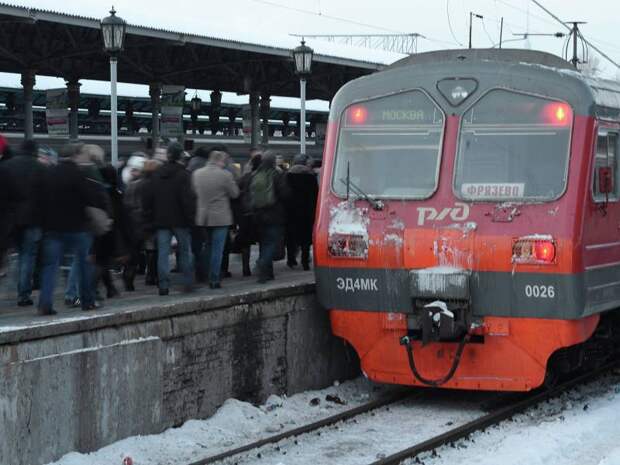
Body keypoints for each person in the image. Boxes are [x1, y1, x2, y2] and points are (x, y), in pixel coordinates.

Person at [37, 143, 103, 315]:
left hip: (52, 228)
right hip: (77, 228)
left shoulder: (48, 173)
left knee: (50, 267)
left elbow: (40, 202)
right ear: (75, 155)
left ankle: (45, 304)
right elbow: (88, 199)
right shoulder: (78, 174)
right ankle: (87, 302)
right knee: (83, 265)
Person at [142, 142, 196, 296]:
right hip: (181, 221)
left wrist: (150, 217)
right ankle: (187, 283)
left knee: (163, 254)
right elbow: (187, 200)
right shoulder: (184, 175)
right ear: (180, 156)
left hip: (161, 220)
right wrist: (191, 220)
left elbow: (148, 198)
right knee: (185, 251)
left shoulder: (157, 175)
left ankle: (163, 286)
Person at [3, 140, 47, 306]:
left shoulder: (6, 167)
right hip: (33, 220)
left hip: (10, 219)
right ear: (35, 151)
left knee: (13, 255)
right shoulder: (41, 168)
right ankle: (23, 294)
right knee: (28, 256)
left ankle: (14, 289)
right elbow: (46, 197)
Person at [192, 150, 239, 288]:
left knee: (207, 246)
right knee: (218, 249)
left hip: (203, 216)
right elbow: (235, 193)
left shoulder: (197, 174)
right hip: (220, 217)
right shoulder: (225, 175)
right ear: (220, 160)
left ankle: (201, 274)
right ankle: (214, 279)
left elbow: (194, 192)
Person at [249, 152, 290, 283]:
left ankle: (266, 274)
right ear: (273, 161)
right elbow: (285, 194)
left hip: (258, 215)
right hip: (274, 214)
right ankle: (262, 263)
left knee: (263, 243)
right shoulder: (276, 175)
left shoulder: (255, 174)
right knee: (271, 243)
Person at [285, 154, 318, 271]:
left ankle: (291, 259)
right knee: (305, 239)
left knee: (291, 237)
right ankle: (305, 262)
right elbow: (315, 196)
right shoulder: (311, 177)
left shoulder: (287, 176)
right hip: (306, 212)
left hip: (290, 211)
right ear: (306, 163)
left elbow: (284, 194)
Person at [236, 154, 262, 277]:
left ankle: (245, 268)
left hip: (246, 213)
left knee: (246, 243)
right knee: (263, 240)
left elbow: (236, 192)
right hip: (261, 212)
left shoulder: (245, 177)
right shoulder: (264, 177)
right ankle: (263, 267)